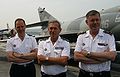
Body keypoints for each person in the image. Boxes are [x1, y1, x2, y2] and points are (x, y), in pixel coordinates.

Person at [74, 10, 117, 77]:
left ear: (100, 20)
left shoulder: (108, 36)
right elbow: (76, 57)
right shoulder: (81, 37)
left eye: (97, 20)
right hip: (84, 74)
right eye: (92, 20)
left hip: (103, 75)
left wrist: (88, 54)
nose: (95, 22)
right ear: (87, 22)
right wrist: (103, 58)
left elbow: (112, 56)